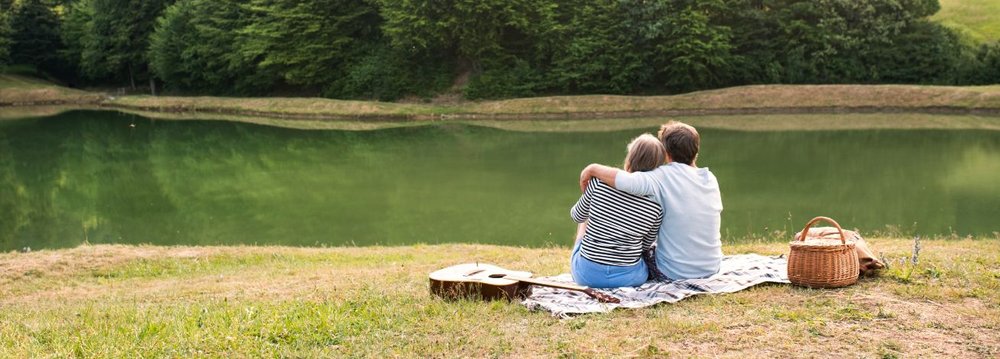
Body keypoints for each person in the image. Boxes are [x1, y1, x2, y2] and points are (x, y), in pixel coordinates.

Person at [579, 121, 723, 280]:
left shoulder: (661, 176)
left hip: (675, 273)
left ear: (666, 153)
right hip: (712, 267)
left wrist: (592, 168)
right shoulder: (710, 178)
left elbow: (624, 180)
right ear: (696, 151)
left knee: (639, 250)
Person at [570, 134, 665, 288]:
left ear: (629, 159)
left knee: (585, 218)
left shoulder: (598, 183)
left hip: (586, 276)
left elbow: (576, 216)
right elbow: (645, 246)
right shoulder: (656, 206)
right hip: (628, 279)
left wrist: (592, 200)